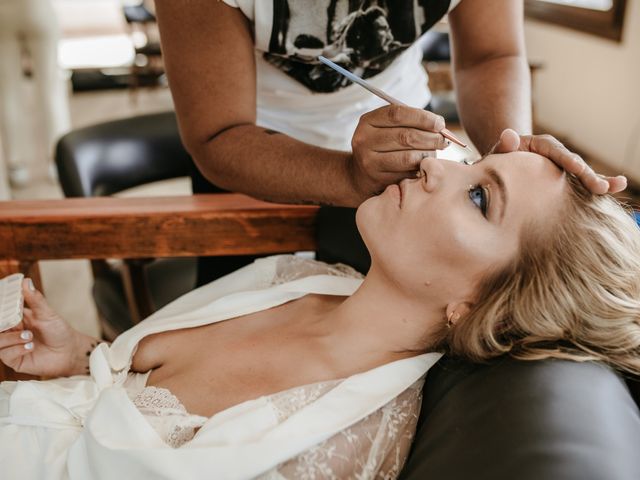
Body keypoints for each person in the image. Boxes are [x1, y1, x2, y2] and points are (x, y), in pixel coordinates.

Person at [1, 148, 639, 479]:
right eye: (468, 157)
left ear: (480, 304)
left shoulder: (333, 446)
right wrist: (80, 354)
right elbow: (121, 386)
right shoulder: (304, 275)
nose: (434, 165)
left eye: (478, 196)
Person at [152, 0, 627, 282]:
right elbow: (219, 135)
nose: (444, 172)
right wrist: (345, 175)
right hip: (256, 152)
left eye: (479, 196)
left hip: (406, 137)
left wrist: (510, 157)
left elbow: (491, 53)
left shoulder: (425, 184)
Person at [0, 0, 71, 191]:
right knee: (51, 89)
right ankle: (58, 161)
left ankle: (16, 166)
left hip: (3, 12)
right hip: (36, 7)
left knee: (7, 92)